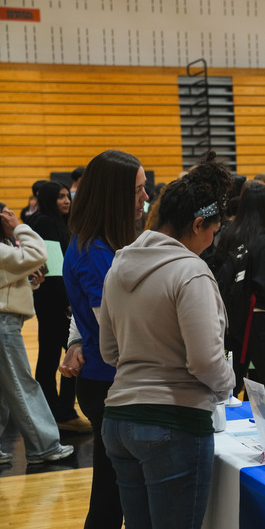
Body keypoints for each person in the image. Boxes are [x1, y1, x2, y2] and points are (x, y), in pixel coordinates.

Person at [98, 161, 235, 529]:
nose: (212, 242)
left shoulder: (118, 266)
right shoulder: (190, 271)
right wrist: (227, 384)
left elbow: (110, 352)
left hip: (118, 421)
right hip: (172, 421)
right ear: (196, 225)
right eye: (214, 231)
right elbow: (206, 361)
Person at [60, 149, 149, 529]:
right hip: (110, 382)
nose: (146, 197)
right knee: (113, 497)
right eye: (138, 190)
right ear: (114, 195)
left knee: (111, 493)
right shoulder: (95, 253)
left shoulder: (99, 243)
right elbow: (116, 328)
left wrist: (75, 341)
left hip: (108, 379)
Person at [0, 205, 75, 465]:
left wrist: (28, 282)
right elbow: (38, 252)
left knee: (4, 392)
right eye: (7, 215)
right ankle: (43, 446)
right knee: (23, 386)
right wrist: (20, 227)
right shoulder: (3, 248)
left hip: (7, 322)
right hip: (3, 325)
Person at [214, 180, 265, 398]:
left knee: (230, 386)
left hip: (231, 321)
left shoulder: (227, 236)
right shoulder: (263, 241)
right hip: (259, 323)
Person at [29, 182, 90, 432]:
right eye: (60, 197)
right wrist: (68, 301)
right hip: (54, 300)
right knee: (67, 355)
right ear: (48, 200)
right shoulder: (45, 222)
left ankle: (54, 413)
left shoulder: (59, 222)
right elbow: (53, 269)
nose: (66, 201)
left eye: (67, 196)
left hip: (57, 299)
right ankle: (61, 412)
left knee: (52, 355)